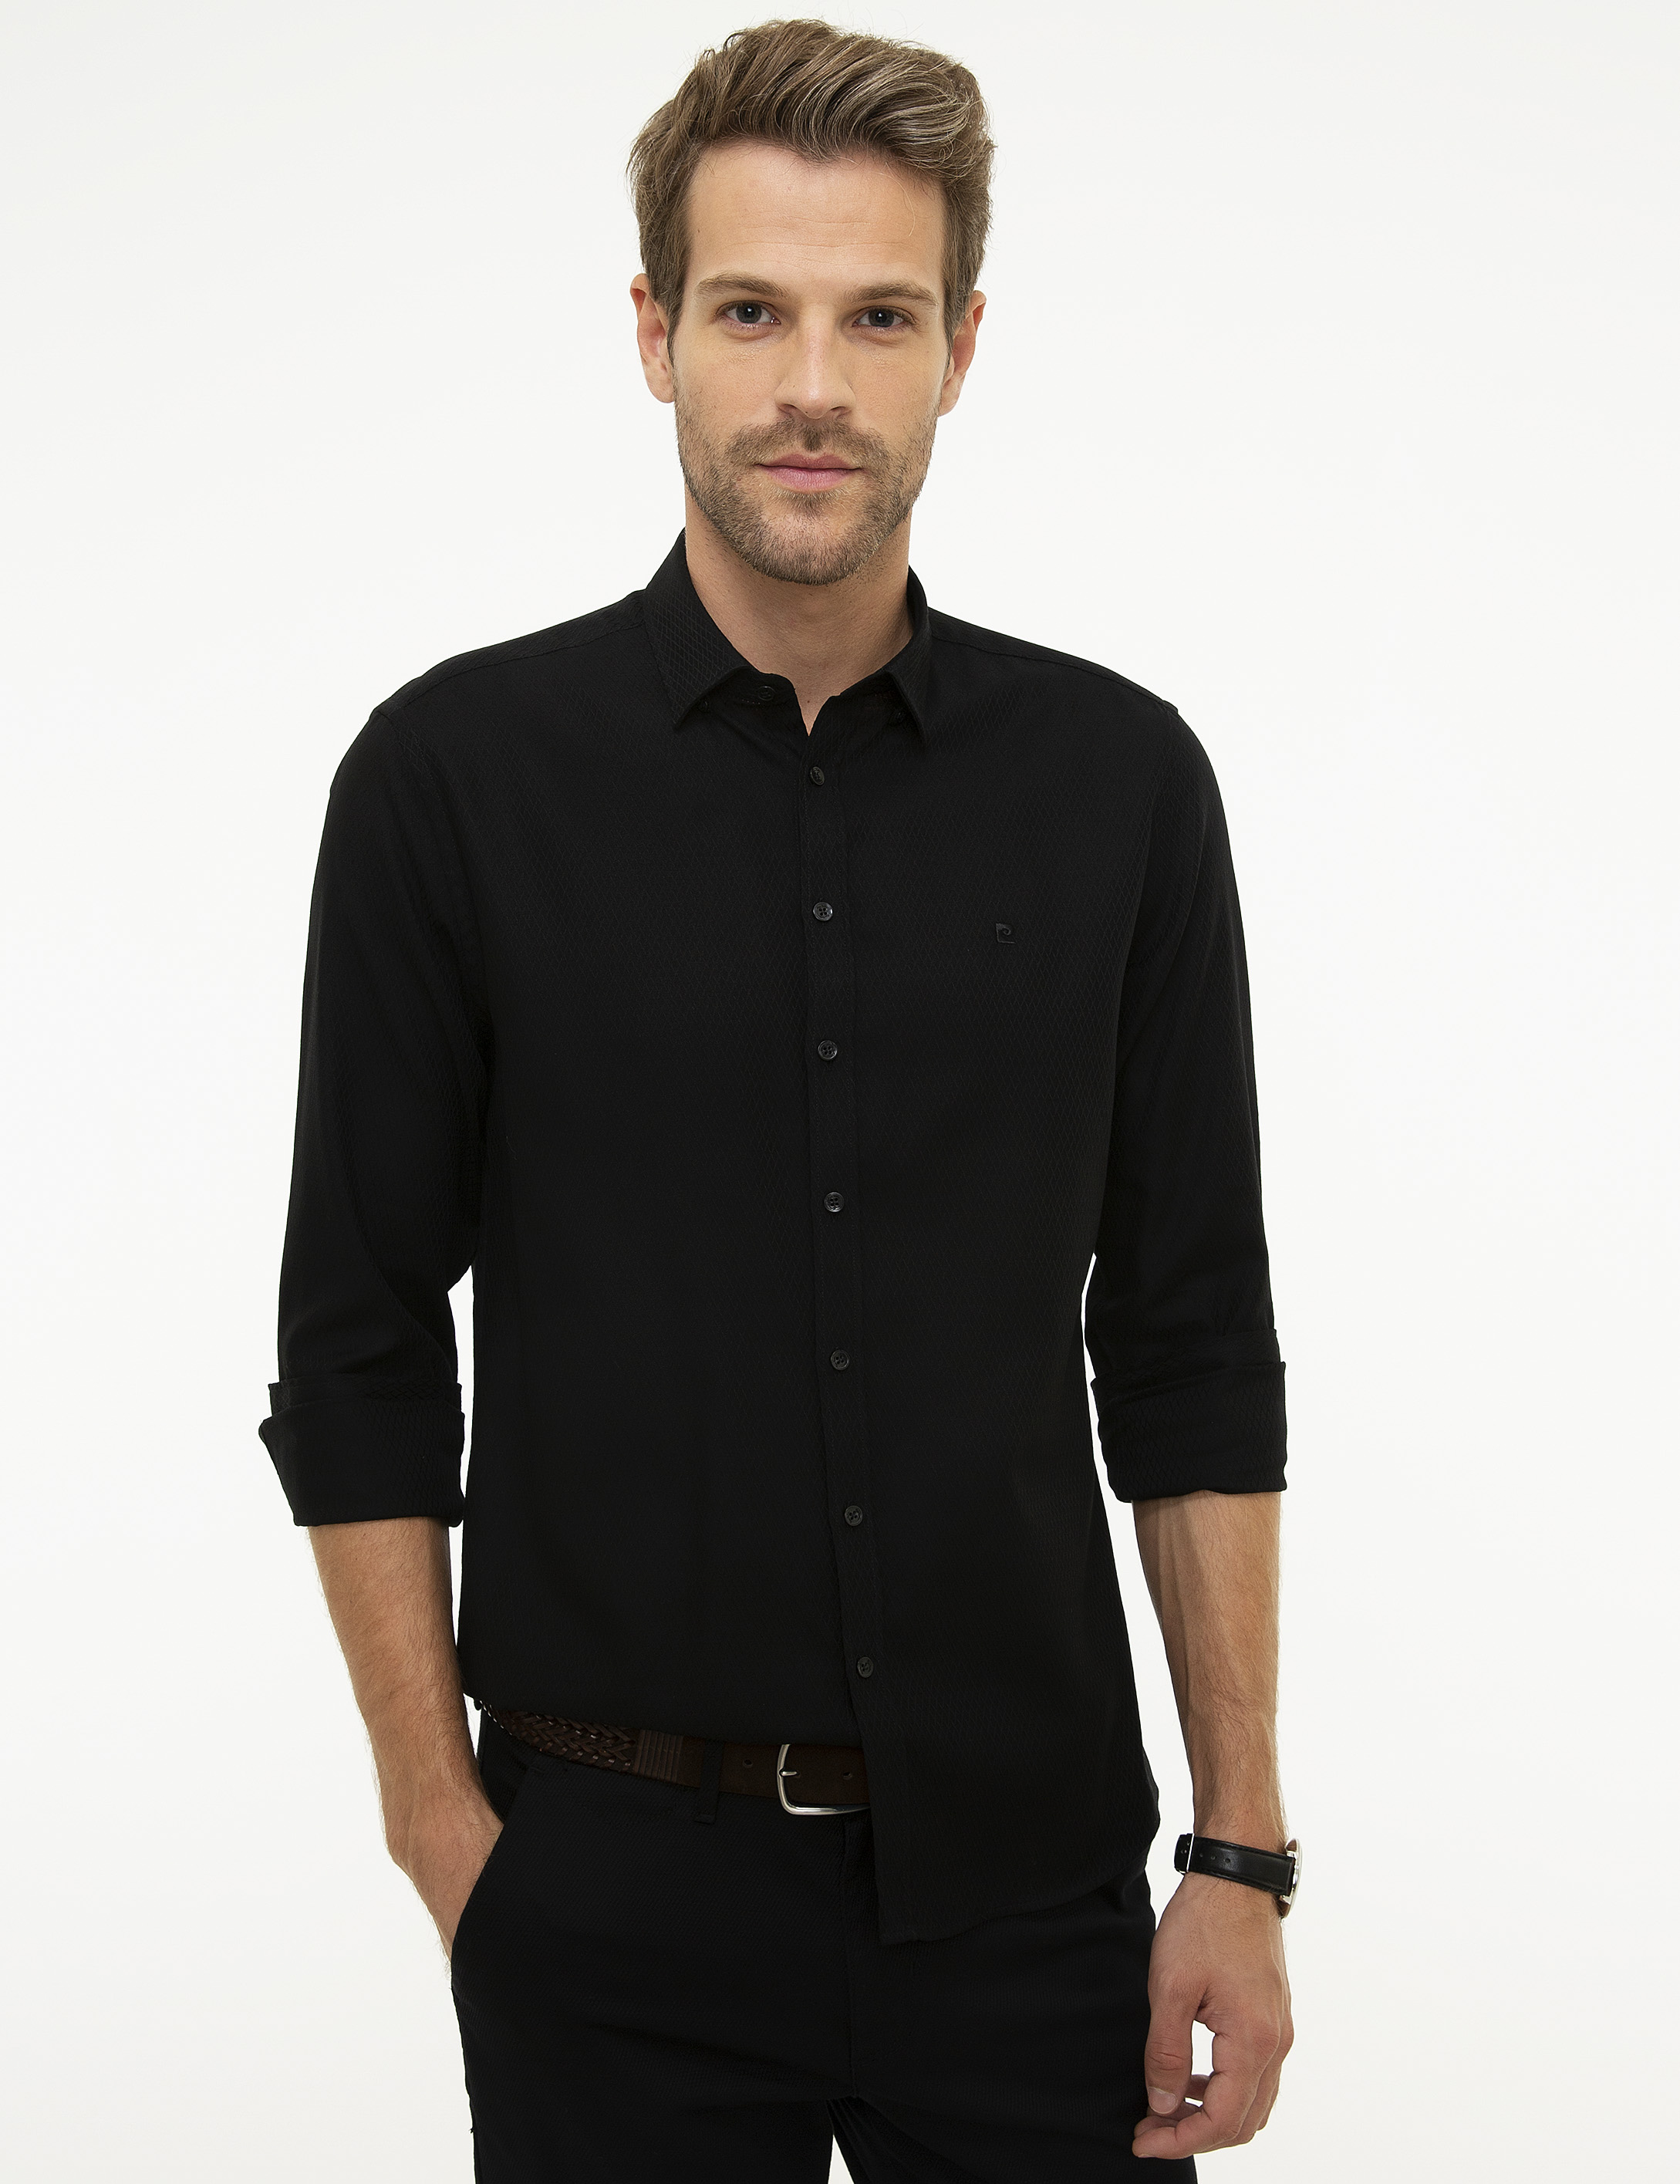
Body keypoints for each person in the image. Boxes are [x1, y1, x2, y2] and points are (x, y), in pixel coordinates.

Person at [258, 18, 1295, 2179]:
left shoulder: (1120, 788)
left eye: (877, 317)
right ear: (654, 334)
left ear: (961, 349)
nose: (812, 383)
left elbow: (1190, 1344)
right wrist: (445, 1832)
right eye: (751, 311)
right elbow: (357, 1348)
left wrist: (1237, 1850)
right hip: (600, 1897)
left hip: (1030, 1898)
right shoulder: (454, 784)